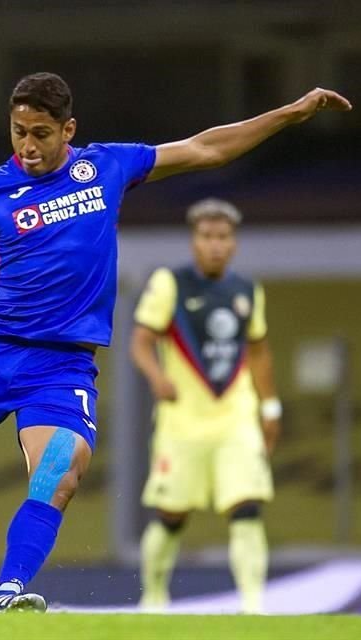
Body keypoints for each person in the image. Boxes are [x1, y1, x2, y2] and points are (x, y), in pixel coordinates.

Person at [0, 72, 349, 613]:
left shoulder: (106, 166)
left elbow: (204, 149)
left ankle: (7, 591)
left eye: (40, 133)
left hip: (60, 370)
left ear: (68, 129)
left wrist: (288, 114)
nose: (28, 145)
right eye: (18, 132)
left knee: (57, 473)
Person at [132, 198, 281, 614]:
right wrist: (157, 377)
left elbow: (259, 350)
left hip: (235, 418)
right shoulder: (170, 283)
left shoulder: (248, 290)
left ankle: (253, 605)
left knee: (247, 506)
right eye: (207, 236)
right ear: (194, 240)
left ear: (233, 243)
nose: (215, 245)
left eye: (223, 237)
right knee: (171, 514)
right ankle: (155, 596)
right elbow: (141, 340)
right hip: (182, 421)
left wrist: (270, 408)